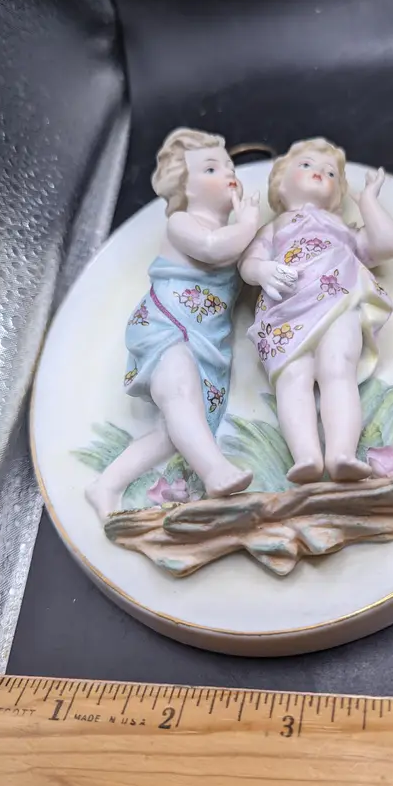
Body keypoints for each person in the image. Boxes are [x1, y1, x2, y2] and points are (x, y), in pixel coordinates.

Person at [86, 128, 259, 519]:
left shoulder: (233, 235)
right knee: (180, 393)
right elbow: (213, 249)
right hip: (166, 328)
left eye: (229, 166)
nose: (228, 173)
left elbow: (241, 260)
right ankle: (216, 473)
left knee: (176, 431)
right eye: (211, 168)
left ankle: (106, 484)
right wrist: (248, 223)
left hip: (206, 341)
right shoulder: (183, 222)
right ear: (185, 186)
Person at [239, 137, 393, 484]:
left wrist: (369, 202)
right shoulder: (273, 227)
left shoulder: (343, 230)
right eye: (306, 165)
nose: (319, 173)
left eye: (330, 173)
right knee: (293, 378)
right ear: (280, 184)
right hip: (284, 310)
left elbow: (389, 246)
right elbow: (249, 263)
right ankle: (306, 457)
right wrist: (261, 270)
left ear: (336, 194)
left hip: (337, 300)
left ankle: (342, 453)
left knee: (338, 369)